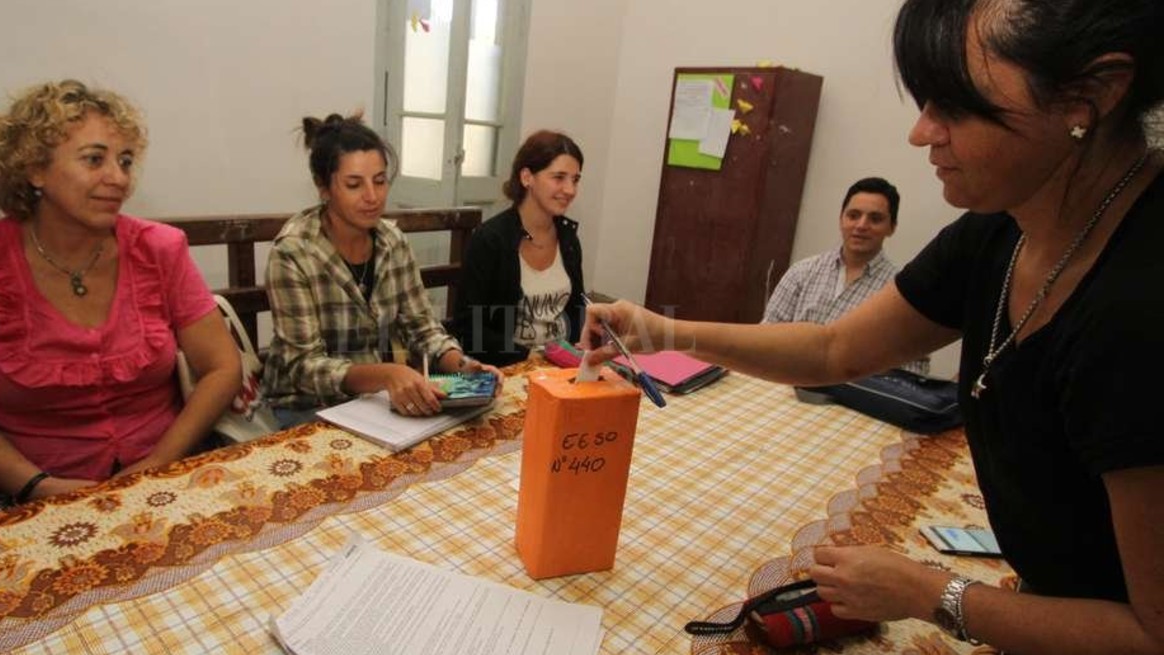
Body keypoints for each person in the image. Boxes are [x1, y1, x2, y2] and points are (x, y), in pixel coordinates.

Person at [582, 0, 1164, 651]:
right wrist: (661, 329)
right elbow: (835, 347)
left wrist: (933, 594)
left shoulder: (1140, 307)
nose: (921, 133)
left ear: (1091, 95)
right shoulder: (1003, 226)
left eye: (954, 104)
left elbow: (1150, 629)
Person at [0, 80, 241, 528]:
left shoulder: (159, 247)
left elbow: (222, 367)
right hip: (14, 486)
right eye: (94, 159)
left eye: (125, 161)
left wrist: (159, 462)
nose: (118, 178)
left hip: (161, 466)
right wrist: (40, 487)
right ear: (34, 169)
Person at [262, 112, 502, 425]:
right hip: (306, 406)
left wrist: (460, 365)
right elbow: (304, 366)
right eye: (353, 185)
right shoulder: (293, 253)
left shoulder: (392, 241)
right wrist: (387, 374)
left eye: (379, 181)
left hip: (373, 400)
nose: (372, 197)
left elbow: (421, 327)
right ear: (323, 187)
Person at [763, 177, 930, 375]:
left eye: (875, 219)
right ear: (841, 219)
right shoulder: (802, 272)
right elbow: (766, 337)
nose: (861, 225)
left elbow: (913, 372)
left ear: (892, 227)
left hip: (857, 398)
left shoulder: (902, 290)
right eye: (853, 215)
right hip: (786, 385)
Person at [452, 131, 586, 366]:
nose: (570, 190)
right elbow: (468, 329)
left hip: (562, 368)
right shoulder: (490, 240)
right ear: (527, 177)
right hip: (510, 368)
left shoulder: (568, 239)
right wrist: (529, 356)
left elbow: (578, 312)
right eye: (559, 178)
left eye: (575, 179)